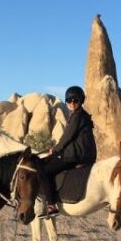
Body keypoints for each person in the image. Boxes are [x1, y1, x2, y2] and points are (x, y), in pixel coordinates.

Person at [38, 85, 97, 218]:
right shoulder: (80, 115)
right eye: (69, 100)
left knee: (44, 170)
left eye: (75, 100)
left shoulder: (77, 116)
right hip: (82, 153)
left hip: (77, 155)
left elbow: (67, 137)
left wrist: (55, 150)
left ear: (81, 100)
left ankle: (51, 205)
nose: (72, 103)